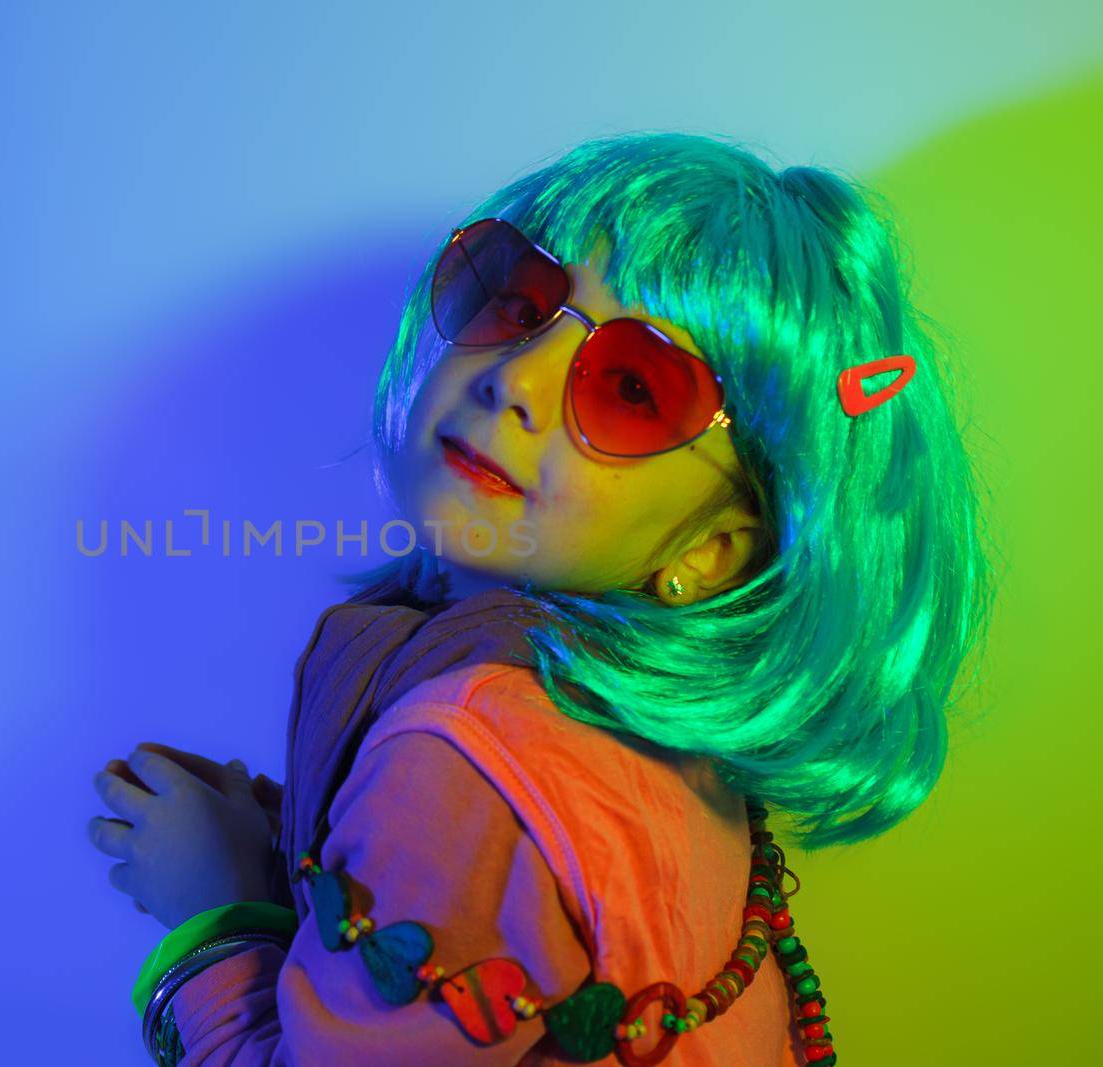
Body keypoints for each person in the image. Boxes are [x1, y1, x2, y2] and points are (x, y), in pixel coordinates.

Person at [85, 130, 995, 1065]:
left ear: (715, 549)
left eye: (634, 387)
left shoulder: (461, 761)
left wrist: (217, 912)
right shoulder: (634, 727)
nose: (512, 380)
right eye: (516, 302)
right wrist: (299, 858)